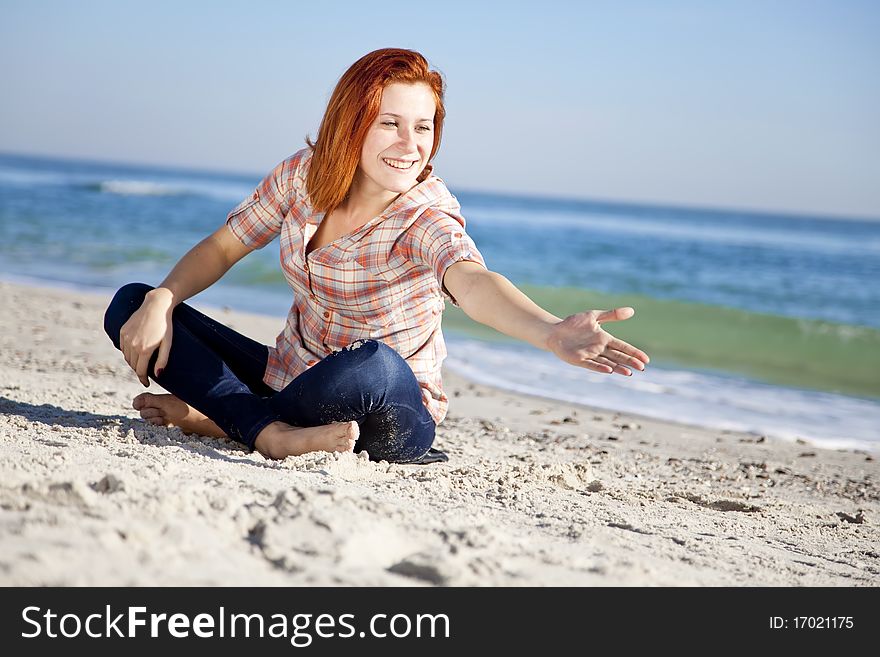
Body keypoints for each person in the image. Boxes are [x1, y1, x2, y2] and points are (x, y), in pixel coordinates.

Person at [103, 48, 650, 464]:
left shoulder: (424, 215)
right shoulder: (303, 176)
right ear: (352, 121)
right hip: (290, 377)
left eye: (423, 127)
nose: (410, 144)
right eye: (390, 122)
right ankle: (266, 429)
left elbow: (474, 281)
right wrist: (163, 299)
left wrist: (550, 331)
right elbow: (226, 245)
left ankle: (228, 420)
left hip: (388, 409)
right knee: (132, 302)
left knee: (373, 365)